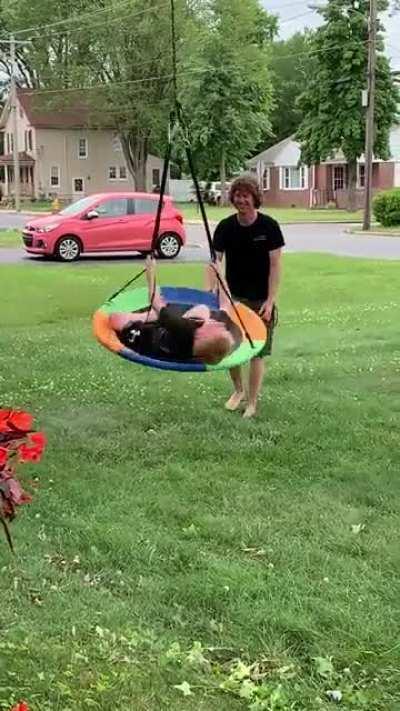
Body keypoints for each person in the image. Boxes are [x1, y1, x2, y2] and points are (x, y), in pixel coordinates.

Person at [212, 174, 285, 418]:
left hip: (260, 300)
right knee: (230, 348)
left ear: (255, 198)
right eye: (237, 195)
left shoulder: (269, 227)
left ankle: (252, 402)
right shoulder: (225, 227)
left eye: (246, 195)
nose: (241, 200)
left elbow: (275, 266)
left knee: (256, 352)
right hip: (234, 299)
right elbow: (215, 262)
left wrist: (271, 300)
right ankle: (238, 391)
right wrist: (217, 292)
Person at [109, 256, 235, 365]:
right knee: (203, 310)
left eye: (219, 328)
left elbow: (154, 300)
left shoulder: (183, 330)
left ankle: (151, 317)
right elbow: (226, 303)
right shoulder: (200, 343)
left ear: (203, 336)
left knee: (115, 319)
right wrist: (220, 275)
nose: (221, 324)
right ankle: (159, 316)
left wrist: (150, 272)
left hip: (145, 337)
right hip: (172, 336)